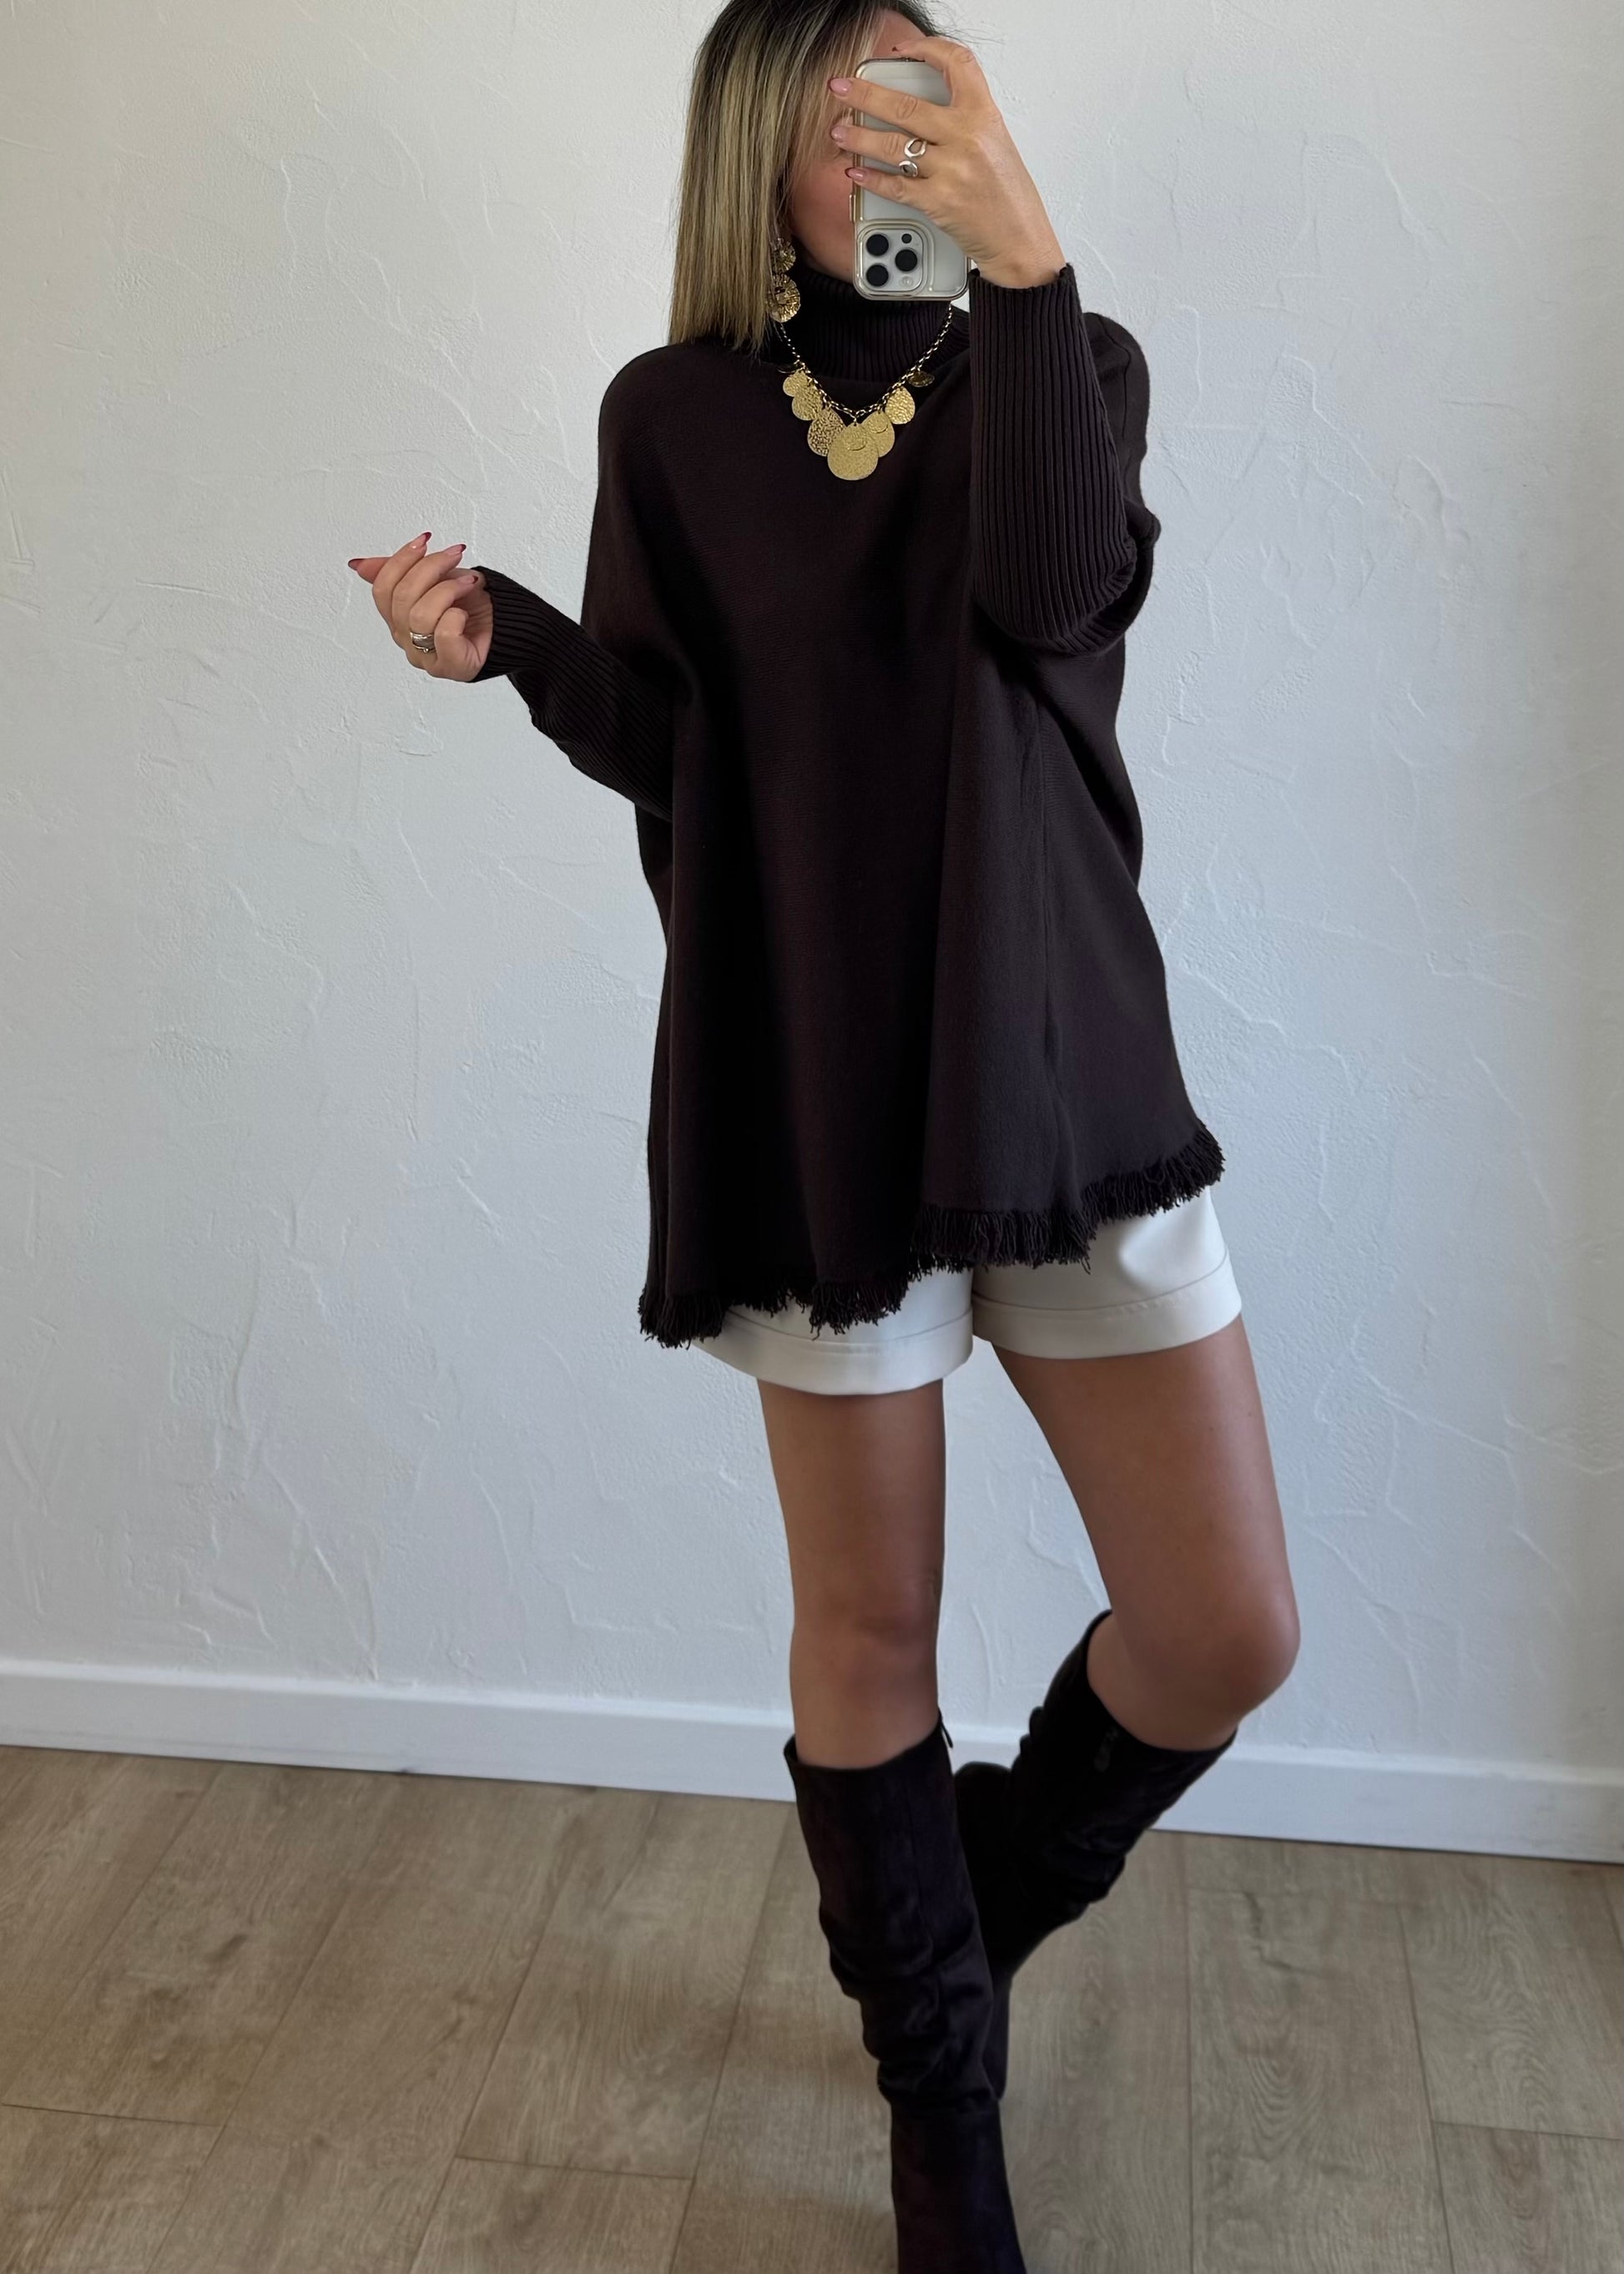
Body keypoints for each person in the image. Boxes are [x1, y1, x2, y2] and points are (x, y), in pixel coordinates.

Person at [349, 5, 1299, 2266]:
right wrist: (510, 647)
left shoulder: (1070, 360)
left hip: (1056, 1059)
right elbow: (685, 742)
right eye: (857, 111)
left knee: (1224, 1625)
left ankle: (945, 1916)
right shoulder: (672, 414)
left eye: (931, 100)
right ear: (762, 147)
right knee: (868, 1625)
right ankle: (940, 2121)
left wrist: (1029, 270)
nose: (900, 144)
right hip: (808, 1077)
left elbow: (1051, 603)